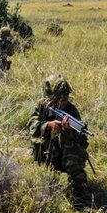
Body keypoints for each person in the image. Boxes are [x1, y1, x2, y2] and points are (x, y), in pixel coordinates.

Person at [27, 74, 91, 205]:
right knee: (44, 180)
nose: (61, 103)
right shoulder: (43, 106)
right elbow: (31, 125)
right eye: (57, 100)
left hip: (64, 153)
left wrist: (66, 131)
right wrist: (48, 126)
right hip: (46, 150)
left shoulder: (71, 111)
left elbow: (78, 141)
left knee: (75, 156)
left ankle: (78, 197)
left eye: (64, 99)